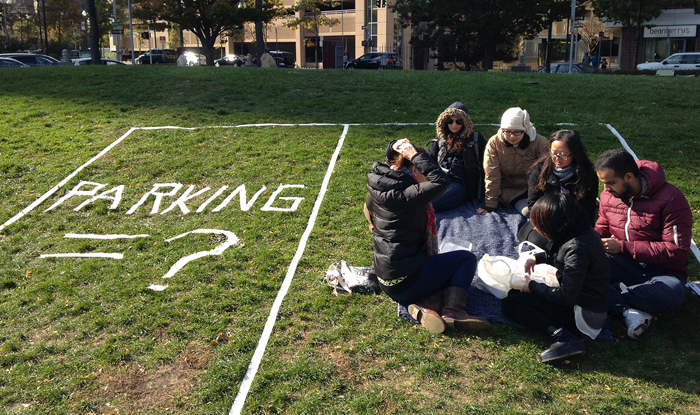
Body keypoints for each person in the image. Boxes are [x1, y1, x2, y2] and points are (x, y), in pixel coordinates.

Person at [367, 138, 491, 333]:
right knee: (465, 260)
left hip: (386, 279)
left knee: (439, 265)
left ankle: (427, 305)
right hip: (406, 280)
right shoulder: (409, 194)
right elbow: (442, 181)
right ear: (416, 170)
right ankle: (453, 310)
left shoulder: (383, 183)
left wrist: (394, 146)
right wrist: (416, 155)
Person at [594, 149, 693, 339]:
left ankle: (607, 296)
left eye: (610, 183)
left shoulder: (672, 199)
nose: (606, 189)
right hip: (621, 262)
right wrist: (592, 238)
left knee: (670, 295)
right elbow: (602, 226)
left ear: (629, 177)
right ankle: (627, 308)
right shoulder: (609, 196)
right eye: (604, 183)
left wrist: (623, 247)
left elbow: (676, 251)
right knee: (581, 263)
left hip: (663, 271)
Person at [502, 193, 610, 364]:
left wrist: (533, 286)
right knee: (515, 295)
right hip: (587, 302)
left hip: (583, 315)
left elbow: (566, 297)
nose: (536, 229)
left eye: (540, 225)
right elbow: (560, 257)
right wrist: (537, 258)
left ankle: (564, 336)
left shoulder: (576, 248)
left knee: (511, 304)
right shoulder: (579, 231)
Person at [518, 129, 598, 251]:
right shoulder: (540, 170)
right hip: (546, 221)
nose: (557, 158)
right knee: (537, 242)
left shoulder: (587, 174)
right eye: (554, 153)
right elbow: (533, 202)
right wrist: (543, 222)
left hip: (575, 223)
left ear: (575, 153)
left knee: (575, 246)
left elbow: (588, 207)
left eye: (563, 154)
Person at [478, 107, 548, 217]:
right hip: (512, 189)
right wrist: (491, 203)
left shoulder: (540, 142)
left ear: (525, 130)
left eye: (517, 132)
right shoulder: (494, 144)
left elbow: (549, 169)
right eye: (507, 132)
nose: (512, 136)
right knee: (530, 212)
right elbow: (492, 174)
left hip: (537, 187)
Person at [427, 102, 487, 212]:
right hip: (438, 179)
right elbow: (427, 161)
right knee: (417, 197)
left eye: (458, 121)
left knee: (430, 204)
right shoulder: (440, 139)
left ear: (465, 122)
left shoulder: (476, 139)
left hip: (459, 184)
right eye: (450, 121)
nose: (454, 125)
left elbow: (489, 164)